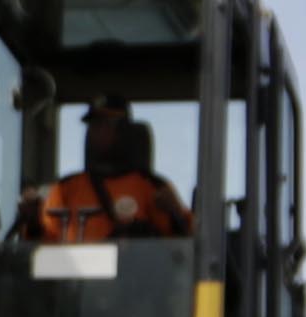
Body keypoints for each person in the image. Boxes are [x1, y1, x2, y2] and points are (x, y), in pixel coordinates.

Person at [18, 98, 190, 246]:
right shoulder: (64, 189)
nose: (96, 132)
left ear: (125, 131)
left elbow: (182, 247)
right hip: (73, 283)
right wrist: (32, 220)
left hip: (133, 281)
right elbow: (41, 246)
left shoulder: (153, 188)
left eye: (105, 124)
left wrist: (175, 212)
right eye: (93, 125)